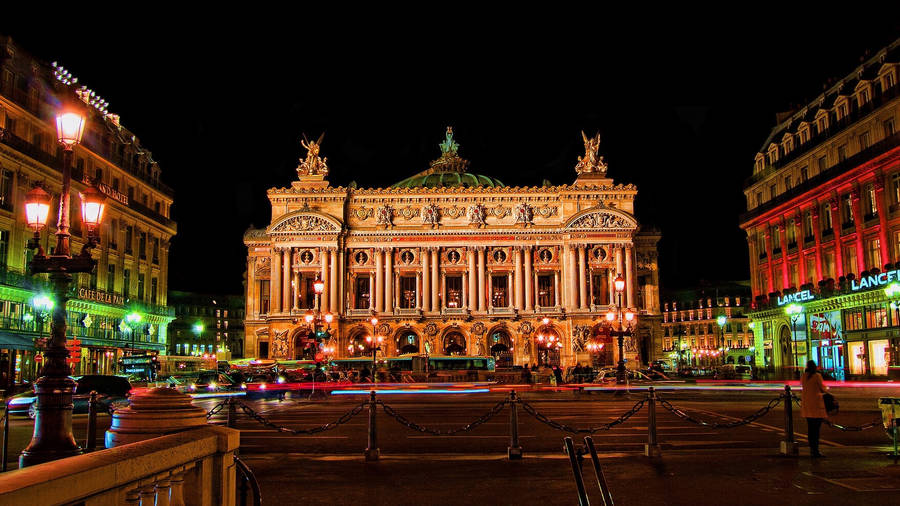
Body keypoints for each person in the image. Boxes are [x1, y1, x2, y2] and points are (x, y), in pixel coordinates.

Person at [801, 360, 829, 458]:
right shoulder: (817, 376)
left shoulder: (804, 376)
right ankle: (815, 450)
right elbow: (823, 389)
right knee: (816, 430)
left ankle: (812, 449)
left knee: (810, 429)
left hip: (807, 406)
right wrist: (827, 389)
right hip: (816, 406)